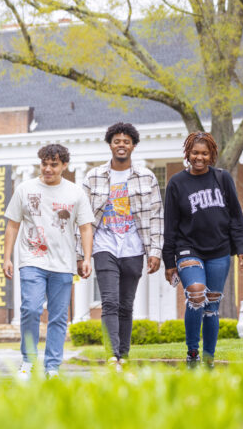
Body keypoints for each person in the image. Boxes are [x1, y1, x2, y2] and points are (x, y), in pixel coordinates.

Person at [3, 144, 94, 379]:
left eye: (54, 164)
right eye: (44, 163)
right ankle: (28, 361)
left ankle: (52, 367)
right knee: (30, 309)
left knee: (58, 316)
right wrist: (7, 258)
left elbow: (85, 228)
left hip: (63, 264)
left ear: (64, 165)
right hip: (32, 259)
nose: (48, 169)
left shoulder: (75, 192)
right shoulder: (25, 189)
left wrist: (86, 258)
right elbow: (13, 224)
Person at [162, 132, 243, 368]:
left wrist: (242, 247)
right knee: (197, 292)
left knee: (211, 305)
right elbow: (169, 225)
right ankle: (192, 353)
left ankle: (209, 357)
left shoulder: (223, 179)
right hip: (187, 248)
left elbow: (236, 217)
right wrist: (169, 262)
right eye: (195, 152)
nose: (199, 157)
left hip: (219, 250)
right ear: (188, 153)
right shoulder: (177, 183)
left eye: (204, 153)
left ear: (211, 155)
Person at [81, 123, 163, 371]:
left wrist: (155, 252)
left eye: (126, 141)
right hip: (104, 245)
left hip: (134, 247)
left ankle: (123, 354)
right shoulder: (93, 176)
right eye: (117, 141)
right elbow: (82, 219)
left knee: (126, 303)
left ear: (133, 146)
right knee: (110, 301)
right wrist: (80, 254)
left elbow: (157, 216)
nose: (121, 145)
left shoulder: (146, 177)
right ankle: (111, 355)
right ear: (110, 144)